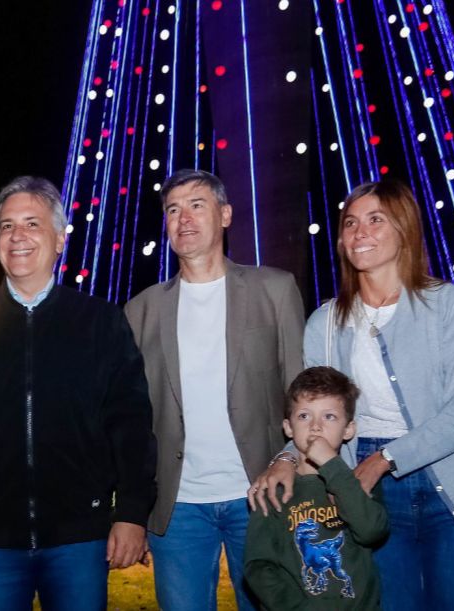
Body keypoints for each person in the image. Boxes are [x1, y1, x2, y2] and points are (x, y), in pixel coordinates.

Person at [249, 180, 454, 610]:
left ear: (404, 229)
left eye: (375, 220)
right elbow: (312, 413)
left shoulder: (445, 305)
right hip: (366, 496)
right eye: (350, 223)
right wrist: (284, 459)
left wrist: (384, 460)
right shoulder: (325, 323)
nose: (359, 232)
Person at [0, 176, 156, 611]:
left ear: (60, 240)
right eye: (6, 226)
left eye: (32, 224)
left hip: (79, 541)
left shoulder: (100, 322)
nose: (18, 236)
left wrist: (133, 512)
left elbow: (131, 423)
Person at [124, 169, 304, 610]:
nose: (183, 218)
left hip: (260, 496)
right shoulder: (140, 310)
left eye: (196, 205)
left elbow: (302, 394)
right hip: (178, 508)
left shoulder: (275, 290)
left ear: (224, 215)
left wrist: (291, 461)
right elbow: (130, 417)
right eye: (172, 209)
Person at [244, 366, 387, 610]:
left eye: (329, 416)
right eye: (304, 416)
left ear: (349, 429)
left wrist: (332, 466)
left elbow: (372, 532)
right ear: (288, 428)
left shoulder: (358, 482)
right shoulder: (274, 490)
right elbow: (258, 566)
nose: (316, 426)